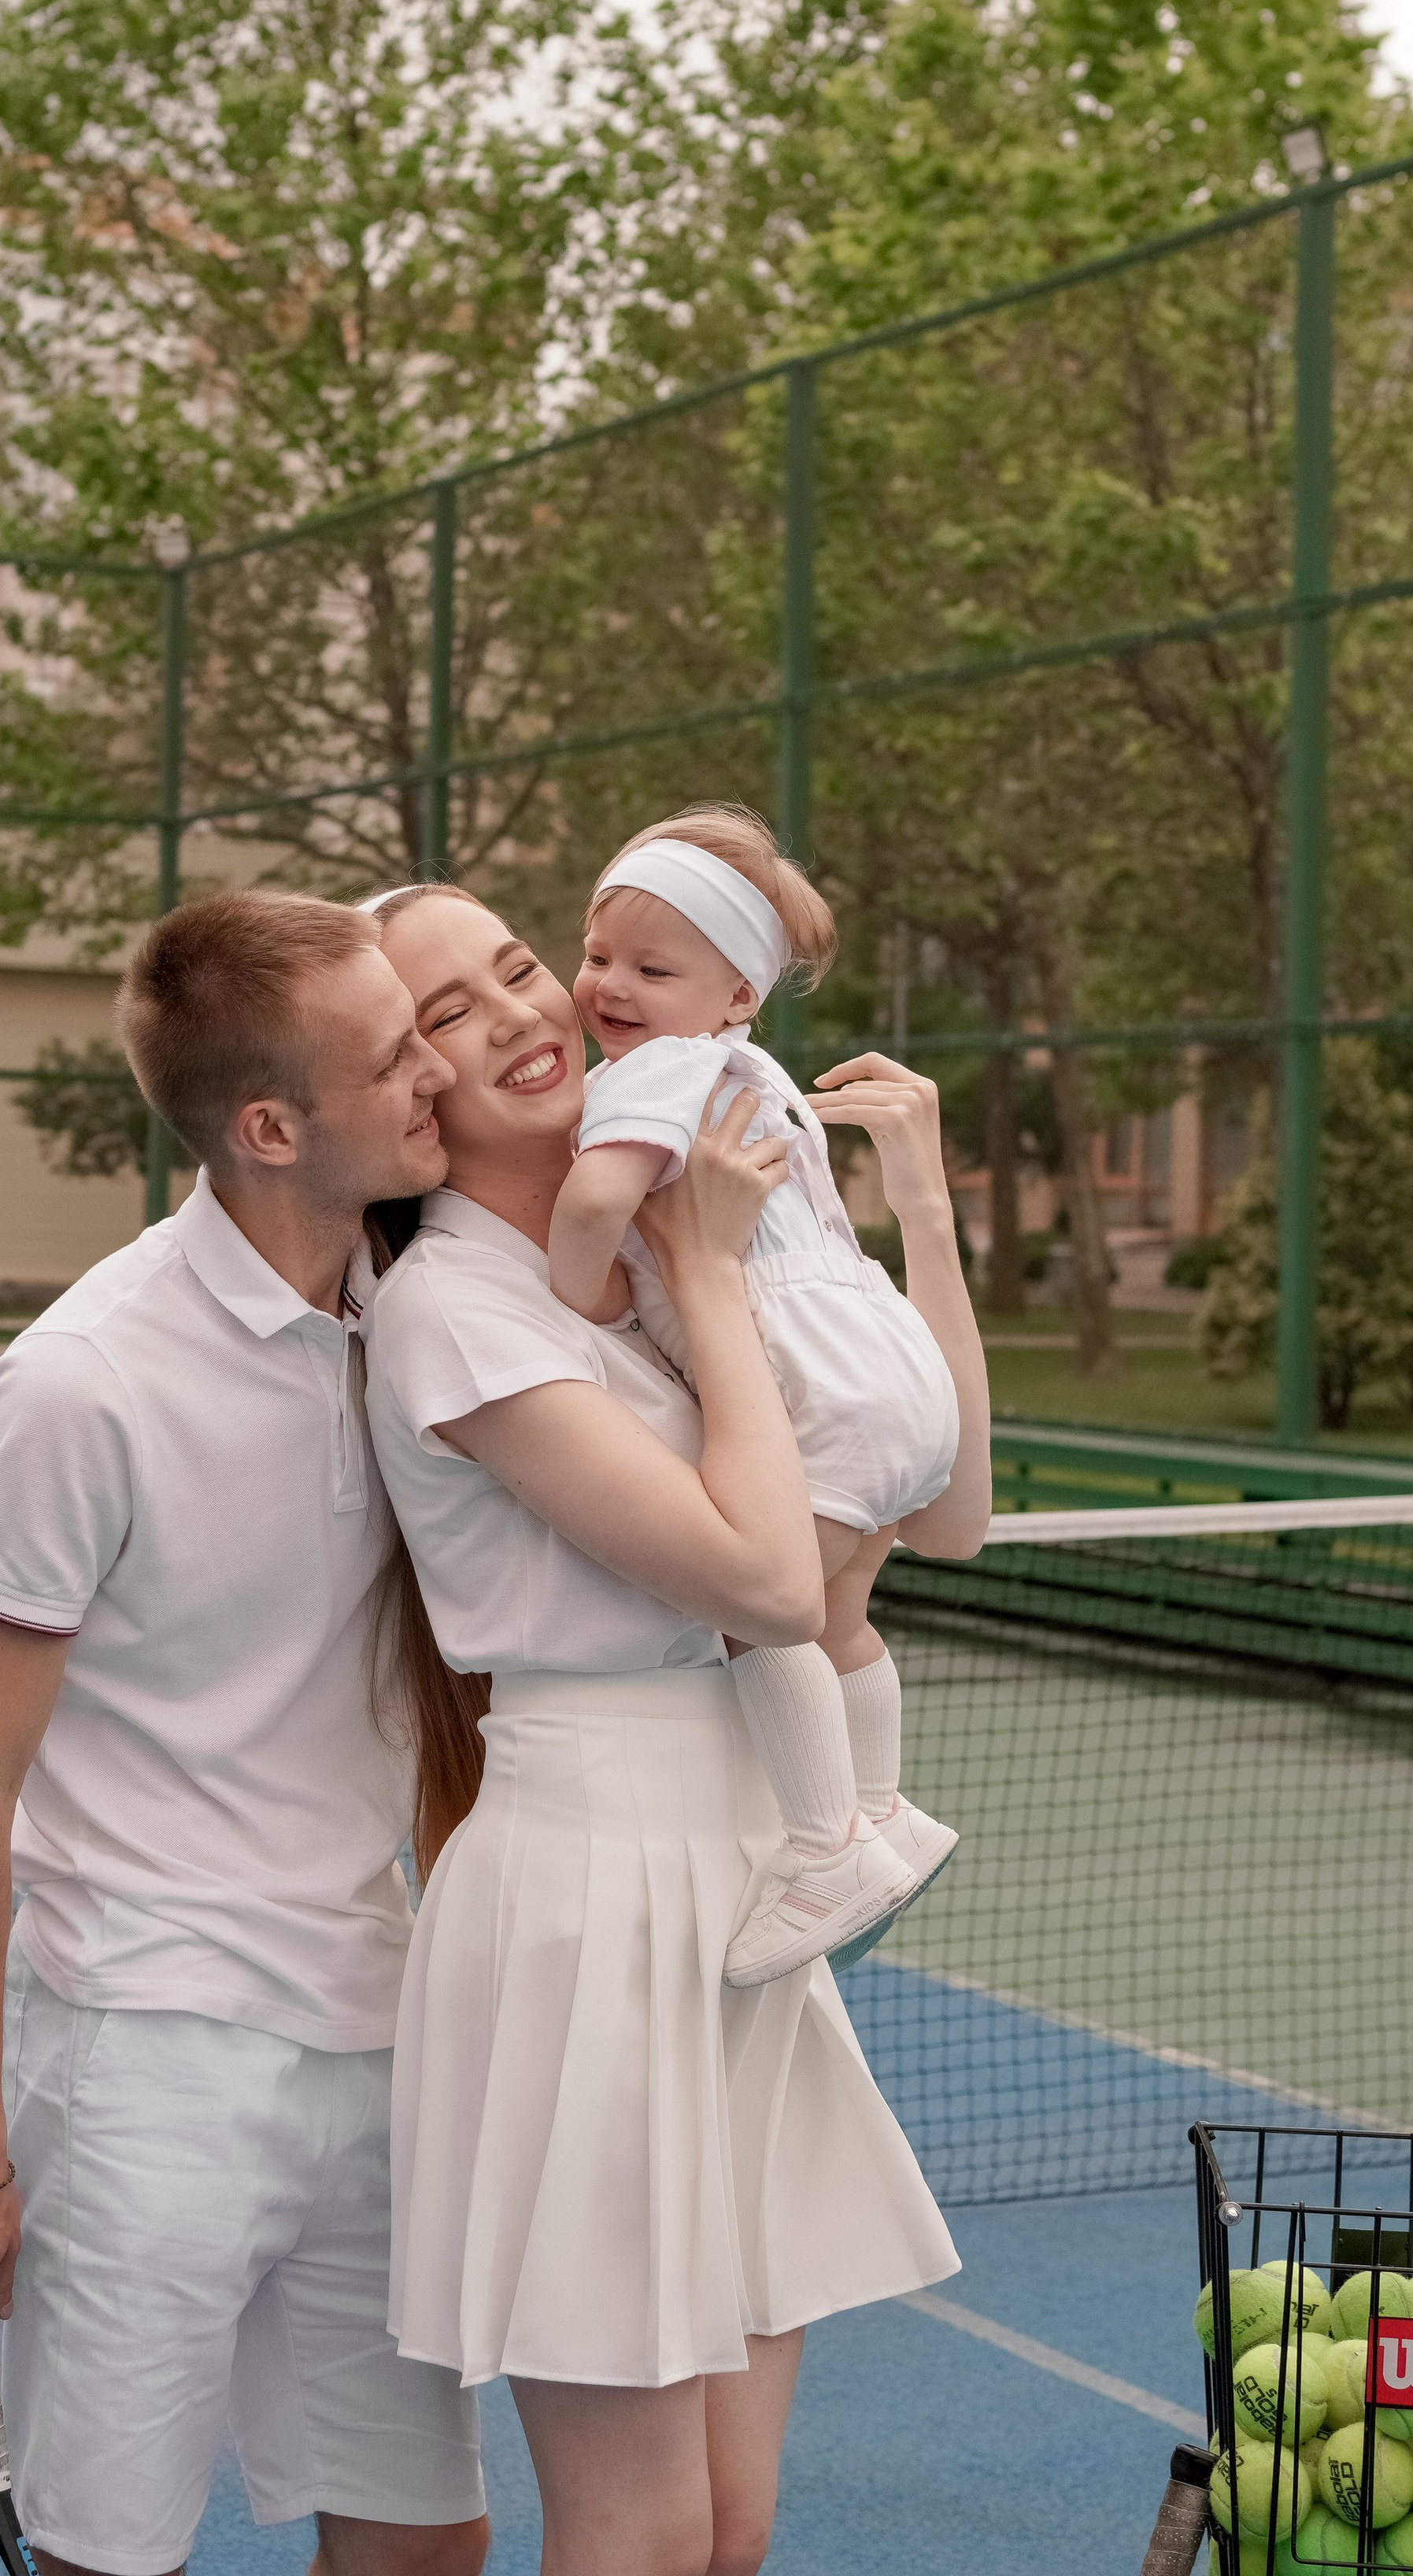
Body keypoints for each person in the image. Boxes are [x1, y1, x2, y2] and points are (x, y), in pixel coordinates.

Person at [356, 883, 990, 2576]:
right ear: (401, 1084)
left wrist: (912, 1214)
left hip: (736, 1881)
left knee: (728, 2528)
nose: (511, 1011)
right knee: (634, 2531)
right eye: (442, 1011)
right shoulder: (457, 1313)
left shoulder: (645, 1251)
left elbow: (946, 1520)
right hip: (588, 1901)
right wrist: (705, 1270)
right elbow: (770, 1586)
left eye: (512, 965)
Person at [0, 890, 489, 2576]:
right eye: (394, 1055)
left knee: (428, 2543)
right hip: (147, 2058)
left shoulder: (419, 1312)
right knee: (105, 2560)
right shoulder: (78, 1385)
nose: (436, 1069)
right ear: (270, 1124)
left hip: (374, 2030)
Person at [546, 804, 961, 1987]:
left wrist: (576, 1305)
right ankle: (881, 1810)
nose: (609, 985)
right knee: (837, 1612)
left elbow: (588, 1211)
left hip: (818, 1386)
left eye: (653, 968)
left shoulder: (658, 1075)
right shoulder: (757, 1072)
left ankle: (828, 1843)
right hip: (894, 1368)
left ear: (737, 995)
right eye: (598, 954)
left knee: (754, 1608)